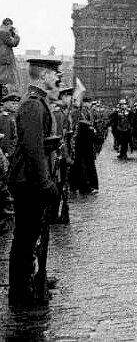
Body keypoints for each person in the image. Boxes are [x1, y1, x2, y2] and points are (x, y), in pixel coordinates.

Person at [7, 57, 61, 308]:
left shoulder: (37, 103)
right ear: (42, 76)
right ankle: (20, 292)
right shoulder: (32, 105)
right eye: (53, 74)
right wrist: (45, 183)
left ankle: (32, 277)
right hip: (28, 180)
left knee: (32, 234)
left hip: (31, 179)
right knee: (25, 238)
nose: (57, 78)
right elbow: (32, 148)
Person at [0, 92, 21, 218]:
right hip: (2, 154)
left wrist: (11, 152)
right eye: (12, 103)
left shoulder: (15, 117)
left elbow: (15, 138)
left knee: (9, 179)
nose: (15, 105)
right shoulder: (3, 117)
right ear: (5, 103)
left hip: (11, 154)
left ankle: (7, 204)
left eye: (16, 103)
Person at [0, 19, 21, 97]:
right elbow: (13, 43)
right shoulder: (4, 32)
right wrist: (16, 34)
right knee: (4, 80)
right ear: (8, 24)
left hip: (2, 59)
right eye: (11, 26)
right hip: (4, 60)